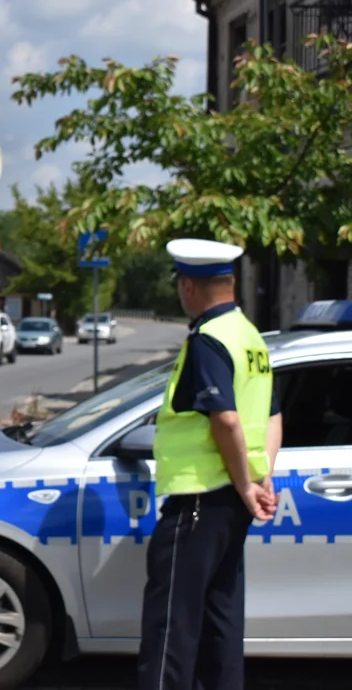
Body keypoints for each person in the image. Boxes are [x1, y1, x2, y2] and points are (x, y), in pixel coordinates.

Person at [137, 238, 283, 690]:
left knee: (171, 629)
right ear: (231, 283)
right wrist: (260, 479)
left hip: (197, 501)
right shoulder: (250, 337)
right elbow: (274, 416)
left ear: (186, 286)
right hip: (231, 506)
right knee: (221, 626)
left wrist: (244, 484)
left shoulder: (208, 339)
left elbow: (226, 418)